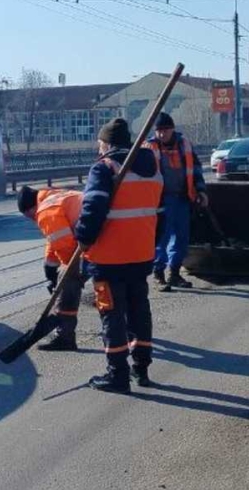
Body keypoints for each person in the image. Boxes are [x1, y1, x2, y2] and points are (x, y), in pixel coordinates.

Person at [75, 118, 163, 394]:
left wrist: (84, 238)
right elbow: (156, 212)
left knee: (111, 314)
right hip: (141, 253)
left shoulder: (104, 168)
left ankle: (118, 375)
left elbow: (92, 208)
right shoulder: (152, 168)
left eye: (100, 143)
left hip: (109, 259)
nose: (98, 148)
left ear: (107, 143)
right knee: (139, 310)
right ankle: (142, 367)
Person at [145, 112, 208, 291]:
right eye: (159, 131)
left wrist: (201, 191)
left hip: (182, 198)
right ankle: (158, 274)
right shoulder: (149, 147)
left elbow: (196, 170)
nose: (162, 134)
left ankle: (174, 273)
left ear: (172, 129)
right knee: (161, 239)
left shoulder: (184, 145)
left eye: (165, 130)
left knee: (181, 238)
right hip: (160, 201)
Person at [18, 185, 84, 351]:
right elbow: (54, 241)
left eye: (30, 216)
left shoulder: (46, 210)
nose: (33, 219)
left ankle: (65, 337)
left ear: (32, 208)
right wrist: (49, 268)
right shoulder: (56, 196)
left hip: (101, 243)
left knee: (67, 282)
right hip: (113, 236)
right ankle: (129, 331)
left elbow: (66, 248)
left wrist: (63, 275)